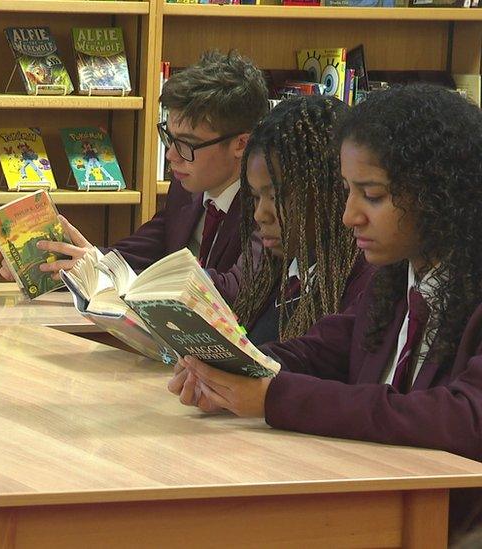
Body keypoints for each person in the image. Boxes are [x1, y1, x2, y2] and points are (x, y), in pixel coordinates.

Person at [170, 83, 482, 540]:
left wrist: (272, 398)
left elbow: (460, 418)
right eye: (347, 191)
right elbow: (317, 351)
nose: (349, 215)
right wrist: (227, 368)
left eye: (372, 195)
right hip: (375, 508)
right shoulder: (394, 282)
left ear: (441, 195)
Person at [0, 50, 270, 280]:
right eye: (169, 137)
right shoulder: (188, 184)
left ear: (240, 145)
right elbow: (136, 253)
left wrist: (108, 272)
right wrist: (60, 257)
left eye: (187, 143)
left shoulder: (269, 207)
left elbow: (234, 288)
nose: (171, 155)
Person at [211, 95, 375, 345]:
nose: (260, 214)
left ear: (329, 191)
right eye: (255, 197)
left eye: (276, 197)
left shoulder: (357, 286)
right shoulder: (274, 273)